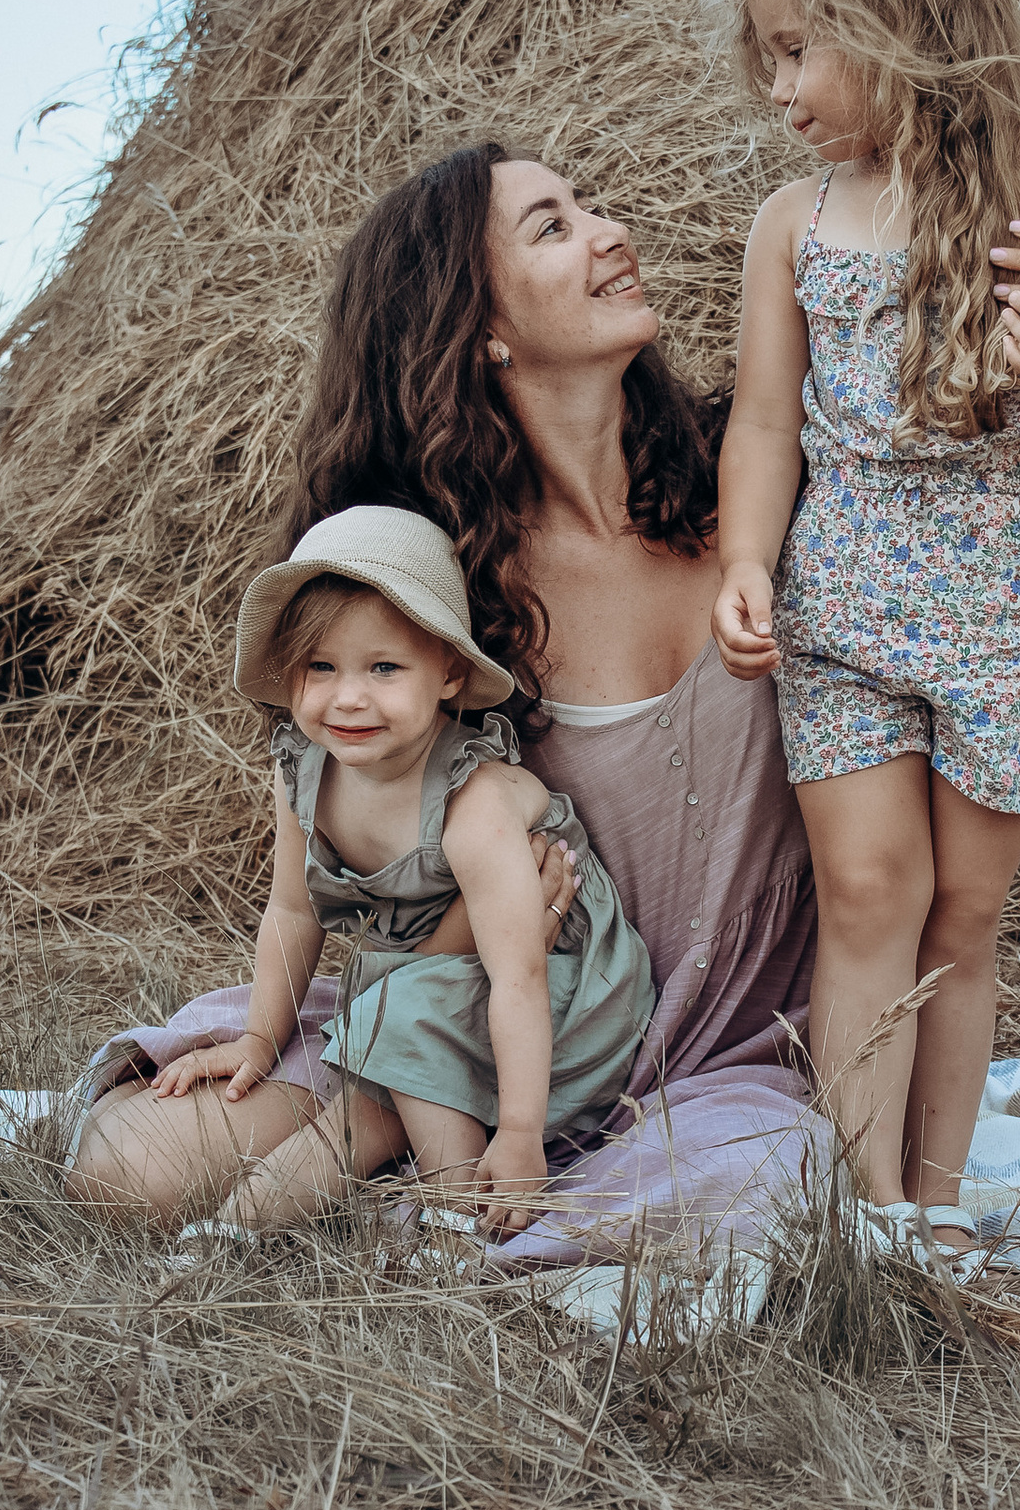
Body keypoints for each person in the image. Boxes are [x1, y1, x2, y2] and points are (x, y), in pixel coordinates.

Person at [66, 133, 1020, 1270]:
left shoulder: (762, 482)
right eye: (553, 227)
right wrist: (450, 935)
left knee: (771, 1199)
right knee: (129, 1172)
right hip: (496, 1012)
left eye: (590, 206)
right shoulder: (429, 591)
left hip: (730, 1047)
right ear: (478, 327)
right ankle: (436, 1153)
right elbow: (349, 849)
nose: (610, 235)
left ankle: (437, 1195)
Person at [708, 0, 1020, 1244]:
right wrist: (747, 559)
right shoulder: (797, 223)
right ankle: (863, 1209)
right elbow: (768, 421)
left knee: (961, 913)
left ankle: (938, 1204)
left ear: (894, 20)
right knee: (870, 889)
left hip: (1007, 613)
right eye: (768, 58)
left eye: (798, 50)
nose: (781, 89)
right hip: (841, 610)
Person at [148, 506, 652, 1238]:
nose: (348, 696)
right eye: (321, 666)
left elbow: (520, 976)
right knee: (375, 1079)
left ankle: (456, 1215)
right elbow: (293, 912)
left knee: (396, 1026)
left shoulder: (473, 802)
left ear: (448, 673)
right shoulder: (304, 773)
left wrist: (520, 1131)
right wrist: (261, 1038)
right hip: (424, 984)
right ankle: (230, 1232)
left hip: (564, 1000)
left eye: (384, 667)